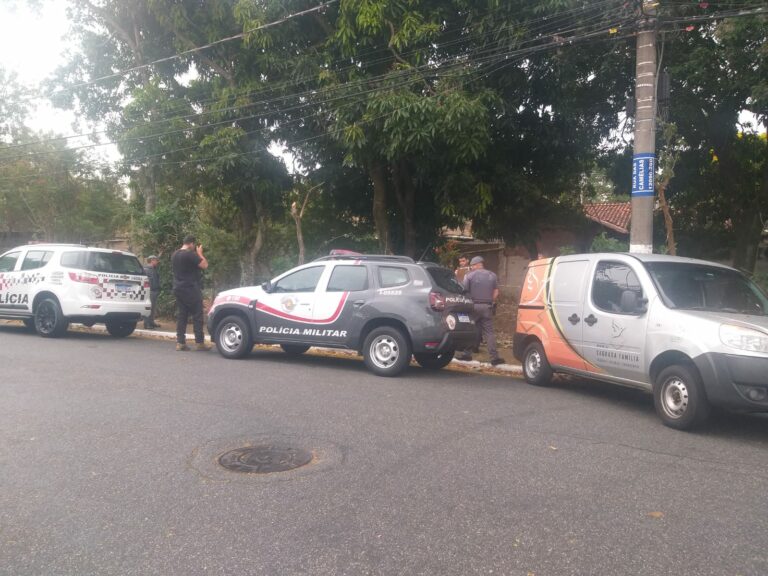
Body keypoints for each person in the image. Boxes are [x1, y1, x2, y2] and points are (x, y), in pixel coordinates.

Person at [456, 255, 505, 366]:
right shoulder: (492, 275)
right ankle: (494, 358)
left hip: (473, 306)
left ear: (477, 265)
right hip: (487, 306)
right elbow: (496, 292)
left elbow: (464, 290)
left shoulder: (469, 275)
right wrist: (490, 301)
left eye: (472, 266)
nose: (471, 267)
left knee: (471, 329)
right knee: (489, 333)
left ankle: (467, 354)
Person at [171, 235, 211, 351]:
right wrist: (200, 253)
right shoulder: (190, 254)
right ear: (191, 244)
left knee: (182, 315)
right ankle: (199, 343)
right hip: (190, 288)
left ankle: (180, 342)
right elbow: (205, 265)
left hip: (178, 288)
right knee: (197, 315)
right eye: (194, 245)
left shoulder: (174, 254)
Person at [143, 255, 161, 329]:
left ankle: (151, 322)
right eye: (156, 260)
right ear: (152, 260)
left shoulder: (154, 269)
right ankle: (147, 323)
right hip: (149, 290)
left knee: (153, 307)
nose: (157, 262)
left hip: (154, 290)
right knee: (149, 307)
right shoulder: (146, 269)